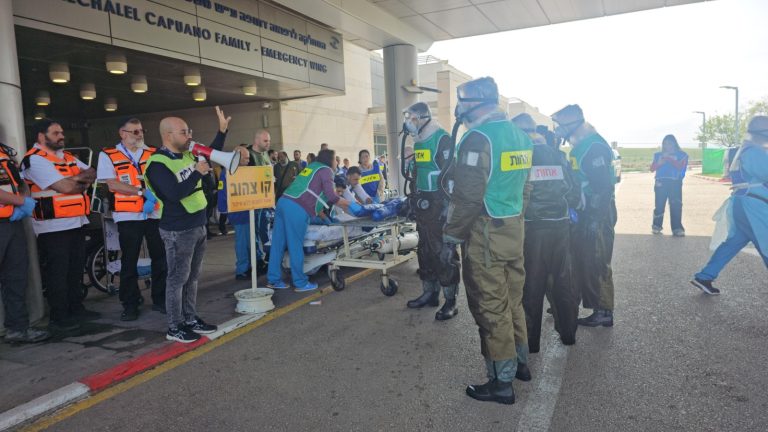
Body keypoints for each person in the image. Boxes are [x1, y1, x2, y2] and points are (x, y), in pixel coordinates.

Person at [442, 77, 533, 404]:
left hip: (485, 235)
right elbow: (526, 187)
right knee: (512, 302)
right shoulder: (521, 136)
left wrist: (451, 235)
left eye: (462, 100)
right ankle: (521, 364)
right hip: (513, 229)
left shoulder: (477, 139)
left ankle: (501, 383)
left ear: (476, 103)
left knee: (491, 307)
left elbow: (467, 198)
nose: (458, 107)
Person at [144, 109, 236, 343]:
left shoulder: (187, 155)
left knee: (192, 277)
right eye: (184, 132)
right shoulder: (157, 164)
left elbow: (212, 152)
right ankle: (175, 326)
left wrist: (222, 131)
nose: (189, 136)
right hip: (177, 229)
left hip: (197, 225)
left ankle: (190, 318)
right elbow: (173, 194)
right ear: (168, 135)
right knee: (177, 279)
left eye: (189, 131)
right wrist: (196, 174)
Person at [21, 119, 99, 332]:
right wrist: (77, 182)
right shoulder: (34, 160)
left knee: (75, 270)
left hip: (76, 222)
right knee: (58, 273)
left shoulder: (67, 157)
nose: (62, 136)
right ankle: (59, 316)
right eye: (56, 133)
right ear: (41, 136)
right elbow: (65, 187)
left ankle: (76, 308)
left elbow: (92, 172)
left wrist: (75, 181)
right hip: (52, 227)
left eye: (62, 132)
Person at [511, 113, 580, 352]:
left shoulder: (520, 155)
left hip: (533, 226)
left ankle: (530, 343)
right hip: (560, 225)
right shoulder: (558, 155)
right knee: (562, 281)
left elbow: (514, 191)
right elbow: (573, 190)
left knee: (532, 284)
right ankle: (568, 333)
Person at [552, 104, 617, 328]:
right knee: (582, 258)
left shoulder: (594, 147)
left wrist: (594, 220)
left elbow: (603, 187)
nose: (557, 129)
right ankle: (577, 301)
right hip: (586, 210)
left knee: (598, 259)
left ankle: (604, 310)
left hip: (598, 211)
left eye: (560, 125)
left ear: (572, 125)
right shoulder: (580, 145)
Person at [96, 117, 167, 321]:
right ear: (122, 133)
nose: (140, 135)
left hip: (154, 213)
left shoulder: (153, 152)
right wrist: (140, 192)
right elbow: (112, 184)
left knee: (161, 257)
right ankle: (130, 303)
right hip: (127, 215)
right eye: (135, 131)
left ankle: (161, 298)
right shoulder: (108, 154)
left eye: (142, 130)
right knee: (129, 259)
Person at [691, 115, 768, 294]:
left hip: (741, 204)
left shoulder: (744, 150)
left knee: (733, 242)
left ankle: (705, 276)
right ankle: (705, 276)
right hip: (754, 207)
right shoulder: (755, 152)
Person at [401, 102, 459, 320]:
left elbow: (452, 175)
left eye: (412, 118)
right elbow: (417, 172)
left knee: (444, 254)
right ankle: (429, 293)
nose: (409, 122)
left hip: (440, 203)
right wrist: (412, 199)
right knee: (424, 251)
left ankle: (450, 301)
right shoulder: (419, 142)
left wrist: (449, 207)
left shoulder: (441, 138)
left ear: (424, 118)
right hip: (423, 203)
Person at [267, 149, 352, 292]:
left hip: (283, 202)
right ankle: (300, 283)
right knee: (295, 245)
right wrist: (351, 205)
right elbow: (332, 196)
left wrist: (326, 218)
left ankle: (273, 280)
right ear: (330, 160)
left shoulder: (312, 167)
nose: (336, 163)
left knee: (278, 244)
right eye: (334, 160)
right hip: (296, 208)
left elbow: (313, 195)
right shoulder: (326, 170)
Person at [0, 142, 50, 343]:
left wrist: (22, 199)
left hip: (11, 222)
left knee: (16, 277)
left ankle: (17, 328)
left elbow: (18, 183)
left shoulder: (3, 153)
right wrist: (22, 202)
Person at [228, 129, 273, 280]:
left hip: (258, 204)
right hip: (242, 209)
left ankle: (256, 261)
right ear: (257, 140)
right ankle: (243, 268)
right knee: (244, 240)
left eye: (269, 140)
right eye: (265, 141)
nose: (268, 143)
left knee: (254, 236)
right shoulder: (234, 170)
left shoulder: (264, 155)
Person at [650, 134, 688, 236]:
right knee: (659, 205)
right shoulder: (658, 155)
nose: (667, 146)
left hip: (675, 183)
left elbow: (681, 167)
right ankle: (656, 226)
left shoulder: (682, 155)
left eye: (670, 143)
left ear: (675, 143)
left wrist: (669, 159)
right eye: (665, 144)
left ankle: (677, 228)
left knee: (676, 205)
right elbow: (652, 168)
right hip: (660, 183)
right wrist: (659, 163)